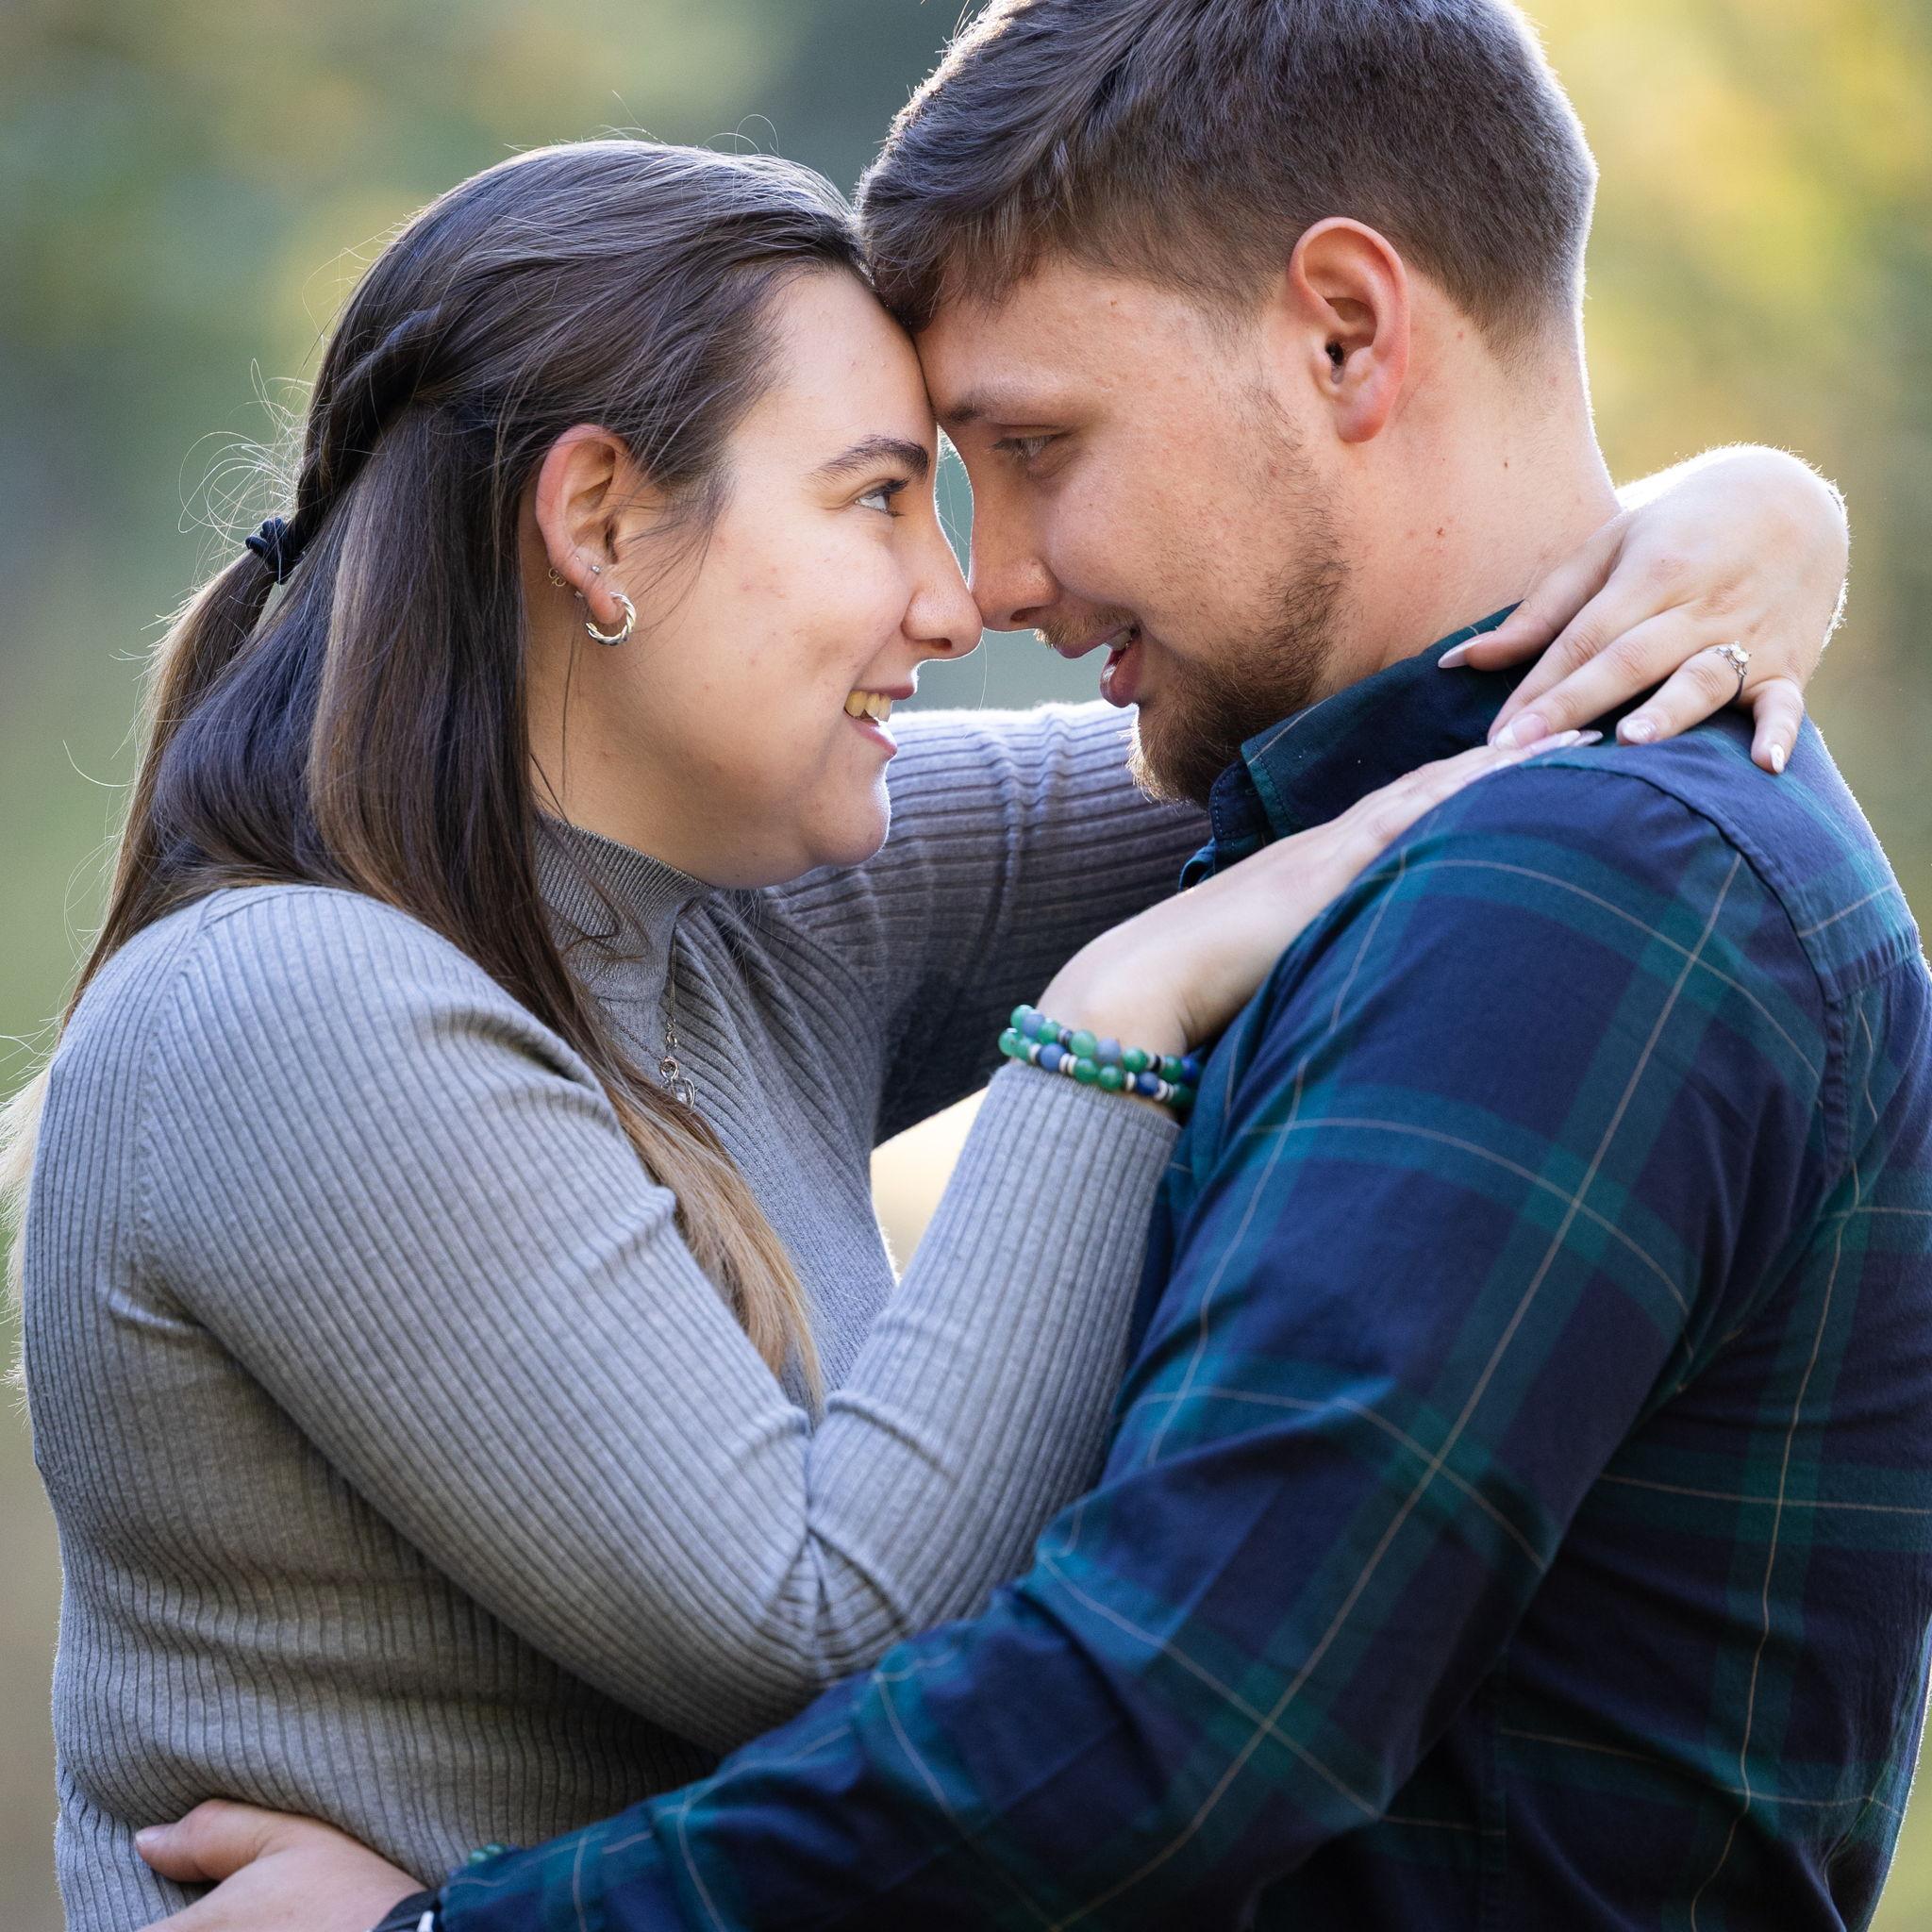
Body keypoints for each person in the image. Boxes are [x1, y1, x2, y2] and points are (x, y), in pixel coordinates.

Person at [125, 3, 1928, 1929]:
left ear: (1344, 332)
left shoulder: (1567, 900)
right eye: (903, 484)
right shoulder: (1381, 831)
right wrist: (1744, 501)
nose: (983, 584)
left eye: (1032, 447)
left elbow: (1163, 1729)